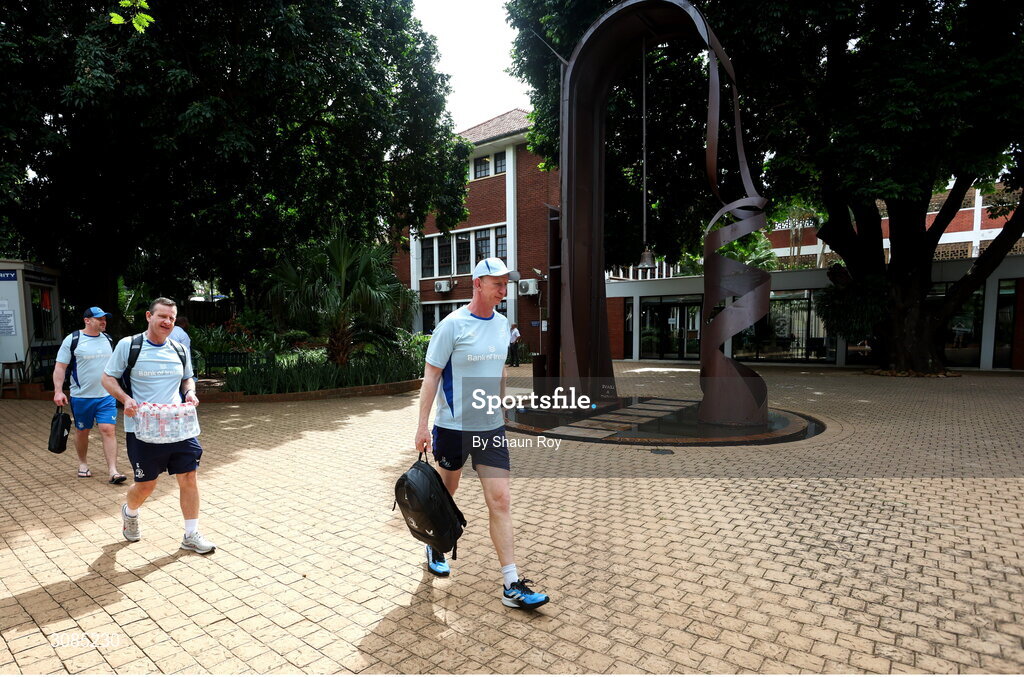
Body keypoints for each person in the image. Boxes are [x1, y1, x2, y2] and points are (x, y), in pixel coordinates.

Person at [414, 257, 549, 610]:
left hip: (490, 429)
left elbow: (500, 370)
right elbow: (430, 378)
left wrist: (502, 407)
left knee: (501, 501)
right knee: (445, 495)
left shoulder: (503, 324)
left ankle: (511, 584)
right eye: (497, 284)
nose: (504, 291)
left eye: (507, 284)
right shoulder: (452, 326)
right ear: (477, 284)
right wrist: (421, 426)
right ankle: (436, 546)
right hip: (452, 428)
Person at [101, 297, 215, 554]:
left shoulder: (178, 348)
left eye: (172, 318)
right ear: (148, 316)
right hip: (143, 429)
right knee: (147, 485)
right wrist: (126, 399)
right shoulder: (129, 346)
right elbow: (107, 378)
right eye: (162, 316)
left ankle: (191, 534)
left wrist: (190, 393)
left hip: (178, 425)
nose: (167, 322)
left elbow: (187, 379)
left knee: (188, 476)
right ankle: (130, 513)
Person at [53, 307, 126, 484]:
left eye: (105, 319)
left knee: (108, 430)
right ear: (87, 320)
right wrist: (58, 391)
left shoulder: (108, 339)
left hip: (106, 396)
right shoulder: (73, 340)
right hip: (82, 397)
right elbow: (60, 367)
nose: (103, 322)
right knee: (82, 431)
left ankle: (113, 471)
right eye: (99, 319)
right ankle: (83, 464)